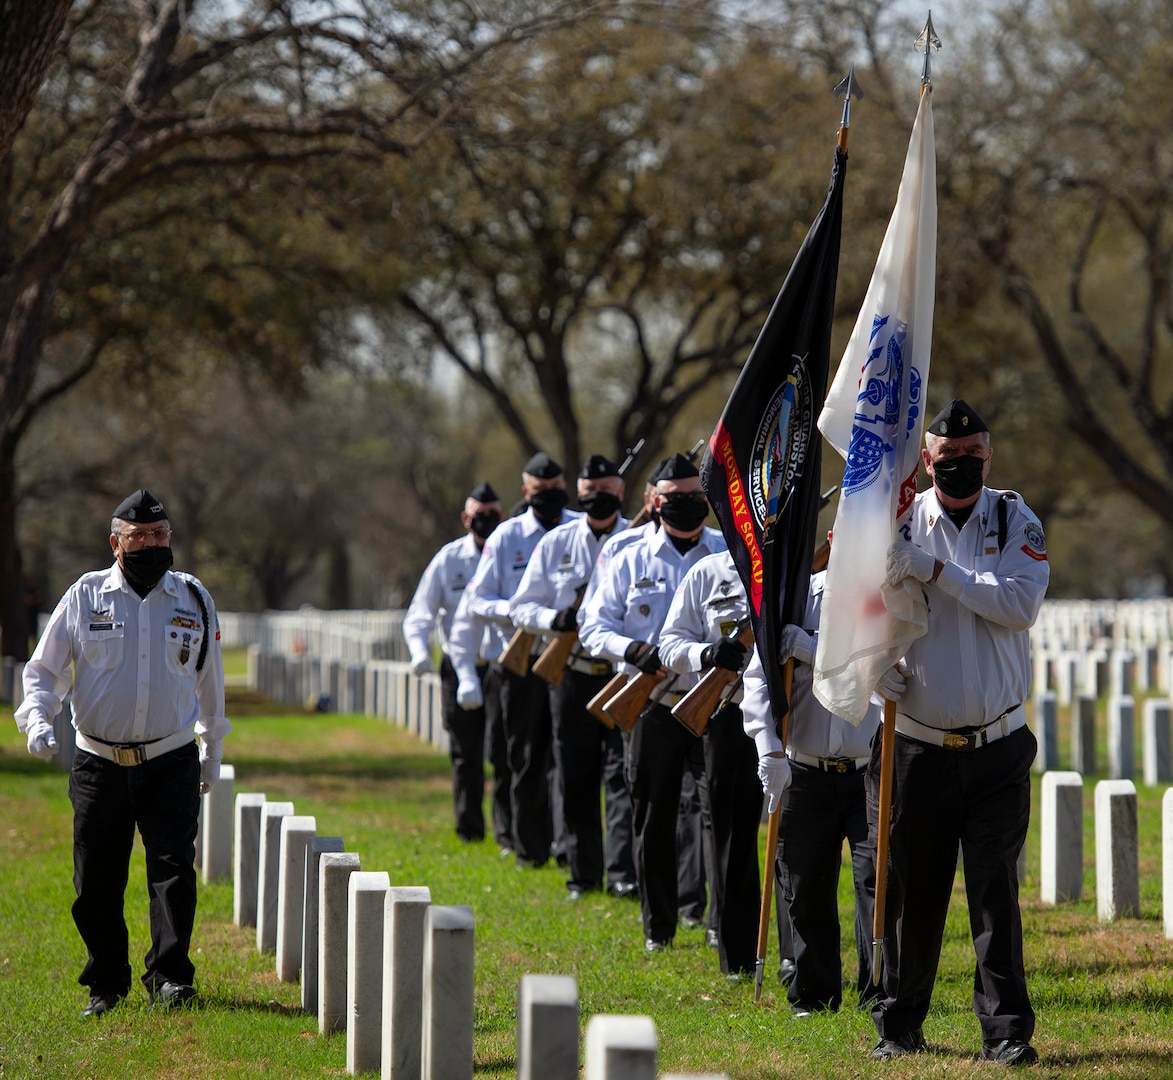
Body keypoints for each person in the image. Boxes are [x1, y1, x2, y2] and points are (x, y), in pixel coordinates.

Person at [870, 399, 1048, 1065]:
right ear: (925, 460)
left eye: (972, 458)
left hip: (996, 747)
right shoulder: (899, 522)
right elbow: (857, 607)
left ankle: (1005, 1034)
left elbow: (1017, 605)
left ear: (989, 456)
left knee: (993, 894)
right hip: (917, 743)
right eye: (947, 460)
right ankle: (898, 1025)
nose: (960, 469)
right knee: (912, 893)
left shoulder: (1011, 516)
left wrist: (936, 570)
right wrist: (871, 668)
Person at [14, 489, 229, 1018]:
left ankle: (172, 977)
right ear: (116, 543)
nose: (152, 545)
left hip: (171, 757)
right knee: (95, 880)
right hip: (98, 763)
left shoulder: (193, 599)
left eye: (160, 535)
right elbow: (43, 672)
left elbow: (210, 681)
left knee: (173, 871)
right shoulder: (85, 597)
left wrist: (212, 749)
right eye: (140, 537)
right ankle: (106, 983)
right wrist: (37, 720)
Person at [579, 452, 726, 952]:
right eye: (674, 499)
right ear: (653, 502)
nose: (685, 506)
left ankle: (716, 922)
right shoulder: (628, 558)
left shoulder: (725, 555)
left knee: (719, 815)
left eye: (694, 498)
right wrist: (633, 649)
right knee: (653, 813)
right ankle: (657, 927)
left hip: (713, 703)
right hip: (653, 704)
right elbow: (592, 627)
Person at [743, 542, 883, 1014]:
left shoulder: (886, 600)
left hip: (870, 773)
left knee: (876, 884)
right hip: (805, 768)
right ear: (829, 543)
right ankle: (814, 993)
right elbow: (759, 680)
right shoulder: (795, 599)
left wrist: (811, 647)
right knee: (803, 887)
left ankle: (878, 989)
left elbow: (882, 668)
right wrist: (768, 750)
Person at [510, 454, 636, 899]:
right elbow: (521, 606)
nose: (597, 500)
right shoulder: (556, 543)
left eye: (605, 491)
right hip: (572, 673)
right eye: (588, 494)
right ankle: (584, 875)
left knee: (623, 777)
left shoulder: (637, 541)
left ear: (621, 493)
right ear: (577, 496)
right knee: (576, 775)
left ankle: (623, 875)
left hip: (621, 675)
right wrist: (555, 619)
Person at [457, 452, 580, 867]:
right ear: (525, 492)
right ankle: (530, 847)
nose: (548, 496)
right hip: (520, 659)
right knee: (525, 756)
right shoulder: (506, 537)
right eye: (539, 491)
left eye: (555, 489)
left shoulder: (579, 529)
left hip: (570, 660)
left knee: (568, 758)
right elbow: (476, 601)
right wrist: (521, 614)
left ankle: (568, 846)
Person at [658, 548, 762, 977]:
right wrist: (707, 654)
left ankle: (796, 961)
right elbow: (669, 645)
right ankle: (736, 954)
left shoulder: (792, 565)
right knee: (731, 836)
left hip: (791, 712)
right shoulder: (706, 571)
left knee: (795, 842)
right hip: (726, 713)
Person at [402, 481, 507, 845]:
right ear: (466, 518)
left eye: (493, 515)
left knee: (504, 749)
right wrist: (419, 653)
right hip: (458, 667)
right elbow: (420, 614)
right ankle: (470, 829)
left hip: (501, 665)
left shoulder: (509, 554)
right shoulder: (448, 559)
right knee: (466, 753)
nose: (487, 521)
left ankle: (508, 832)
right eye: (480, 516)